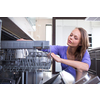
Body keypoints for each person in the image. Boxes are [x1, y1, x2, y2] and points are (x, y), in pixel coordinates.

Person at [17, 27, 91, 80]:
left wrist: (60, 60)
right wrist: (25, 41)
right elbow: (44, 47)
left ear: (81, 43)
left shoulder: (84, 52)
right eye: (71, 35)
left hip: (81, 83)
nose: (71, 38)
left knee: (80, 68)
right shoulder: (61, 49)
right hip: (67, 81)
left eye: (75, 38)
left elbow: (85, 67)